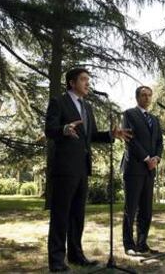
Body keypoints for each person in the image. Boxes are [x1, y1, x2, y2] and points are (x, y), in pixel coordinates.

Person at [45, 68, 131, 272]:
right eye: (83, 79)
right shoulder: (59, 102)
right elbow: (49, 129)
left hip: (83, 168)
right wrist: (64, 129)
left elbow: (90, 135)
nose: (87, 83)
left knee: (77, 215)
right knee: (61, 215)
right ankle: (56, 261)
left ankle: (76, 255)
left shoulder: (87, 107)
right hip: (64, 168)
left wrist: (111, 134)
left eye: (88, 80)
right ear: (71, 82)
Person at [121, 86, 163, 256]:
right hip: (134, 168)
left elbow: (160, 142)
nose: (147, 98)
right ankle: (129, 245)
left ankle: (142, 243)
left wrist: (157, 158)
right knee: (131, 208)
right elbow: (130, 139)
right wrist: (147, 158)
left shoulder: (154, 119)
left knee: (146, 209)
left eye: (149, 95)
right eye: (143, 95)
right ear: (137, 97)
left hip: (150, 170)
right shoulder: (129, 114)